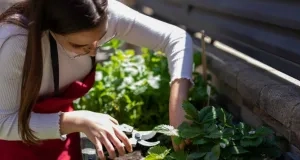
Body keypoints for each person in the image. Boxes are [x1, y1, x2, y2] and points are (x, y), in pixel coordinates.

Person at [0, 0, 193, 159]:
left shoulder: (101, 14)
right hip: (14, 142)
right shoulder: (15, 42)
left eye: (100, 39)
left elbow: (175, 39)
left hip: (63, 136)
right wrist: (79, 120)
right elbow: (3, 122)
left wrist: (178, 104)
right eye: (79, 45)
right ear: (50, 28)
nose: (93, 50)